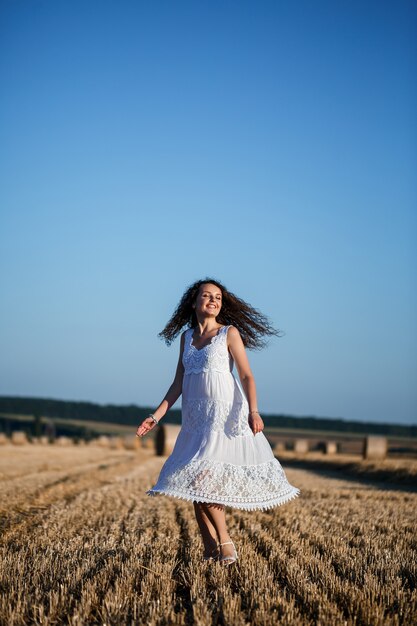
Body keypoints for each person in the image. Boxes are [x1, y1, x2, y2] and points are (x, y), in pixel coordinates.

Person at [136, 278, 300, 566]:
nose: (213, 300)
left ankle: (224, 541)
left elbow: (247, 376)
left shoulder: (229, 333)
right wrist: (156, 416)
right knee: (195, 484)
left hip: (224, 417)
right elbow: (178, 383)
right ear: (194, 301)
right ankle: (209, 548)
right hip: (195, 418)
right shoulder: (186, 338)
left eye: (218, 298)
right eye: (207, 295)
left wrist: (255, 411)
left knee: (203, 479)